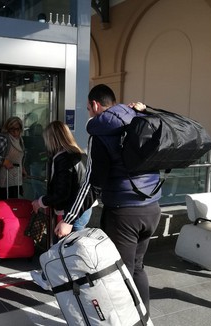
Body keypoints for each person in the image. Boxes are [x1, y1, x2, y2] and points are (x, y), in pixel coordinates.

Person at [61, 84, 161, 312]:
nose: (89, 113)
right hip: (152, 207)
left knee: (120, 275)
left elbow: (92, 184)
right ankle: (143, 318)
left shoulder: (101, 135)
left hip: (124, 213)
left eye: (88, 108)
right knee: (137, 268)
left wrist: (69, 219)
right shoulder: (139, 119)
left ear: (95, 105)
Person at [30, 121, 96, 290]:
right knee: (73, 247)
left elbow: (62, 192)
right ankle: (72, 281)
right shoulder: (80, 153)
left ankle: (50, 280)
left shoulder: (63, 158)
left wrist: (41, 201)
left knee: (63, 247)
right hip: (85, 207)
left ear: (52, 139)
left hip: (73, 209)